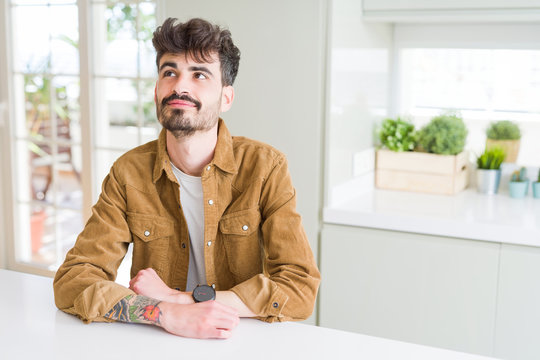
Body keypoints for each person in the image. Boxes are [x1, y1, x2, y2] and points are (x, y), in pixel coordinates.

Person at [53, 17, 320, 339]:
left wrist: (182, 298)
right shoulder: (129, 172)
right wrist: (163, 312)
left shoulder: (265, 167)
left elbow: (300, 287)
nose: (180, 86)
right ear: (156, 90)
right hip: (157, 338)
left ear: (226, 97)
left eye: (199, 74)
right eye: (170, 72)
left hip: (239, 339)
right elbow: (73, 281)